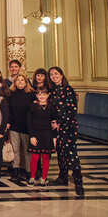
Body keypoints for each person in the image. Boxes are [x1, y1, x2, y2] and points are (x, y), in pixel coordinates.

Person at [48, 66, 84, 196]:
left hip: (68, 126)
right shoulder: (53, 91)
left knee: (71, 154)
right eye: (51, 74)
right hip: (56, 127)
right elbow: (52, 109)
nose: (54, 76)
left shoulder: (68, 90)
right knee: (60, 152)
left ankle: (78, 182)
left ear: (61, 75)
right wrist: (53, 121)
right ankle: (62, 177)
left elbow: (71, 110)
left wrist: (60, 123)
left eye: (56, 74)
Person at [27, 89, 57, 186]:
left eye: (44, 94)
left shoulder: (52, 107)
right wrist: (32, 136)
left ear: (48, 95)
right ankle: (32, 177)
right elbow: (29, 123)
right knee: (35, 157)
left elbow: (54, 122)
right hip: (36, 134)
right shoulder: (32, 106)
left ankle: (43, 178)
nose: (41, 96)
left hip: (47, 135)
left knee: (46, 157)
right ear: (36, 95)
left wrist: (54, 137)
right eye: (39, 94)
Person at [8, 74, 33, 180]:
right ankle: (16, 170)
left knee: (27, 151)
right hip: (14, 126)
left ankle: (28, 171)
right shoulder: (10, 94)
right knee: (15, 150)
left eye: (22, 80)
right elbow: (8, 110)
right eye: (18, 80)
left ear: (26, 82)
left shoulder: (31, 94)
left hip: (27, 127)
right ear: (15, 82)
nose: (20, 82)